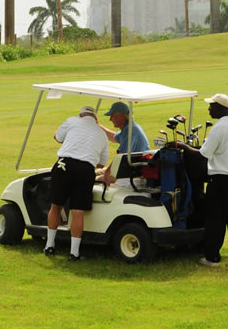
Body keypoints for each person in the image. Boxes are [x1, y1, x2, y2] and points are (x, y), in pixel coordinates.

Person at [175, 93, 228, 267]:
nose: (209, 109)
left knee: (216, 218)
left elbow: (203, 153)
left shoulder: (219, 128)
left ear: (220, 107)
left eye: (211, 106)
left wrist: (183, 146)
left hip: (220, 179)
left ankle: (212, 258)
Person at [45, 106, 110, 261]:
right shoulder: (102, 134)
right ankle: (74, 253)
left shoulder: (72, 121)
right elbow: (101, 164)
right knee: (78, 212)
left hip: (64, 165)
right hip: (85, 169)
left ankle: (49, 246)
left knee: (56, 206)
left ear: (81, 115)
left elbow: (57, 137)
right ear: (96, 119)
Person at [96, 101, 150, 185]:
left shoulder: (130, 130)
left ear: (120, 115)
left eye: (112, 116)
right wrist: (97, 125)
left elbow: (120, 156)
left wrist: (107, 172)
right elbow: (113, 137)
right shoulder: (128, 127)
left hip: (134, 171)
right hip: (130, 167)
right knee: (97, 172)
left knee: (97, 179)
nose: (110, 119)